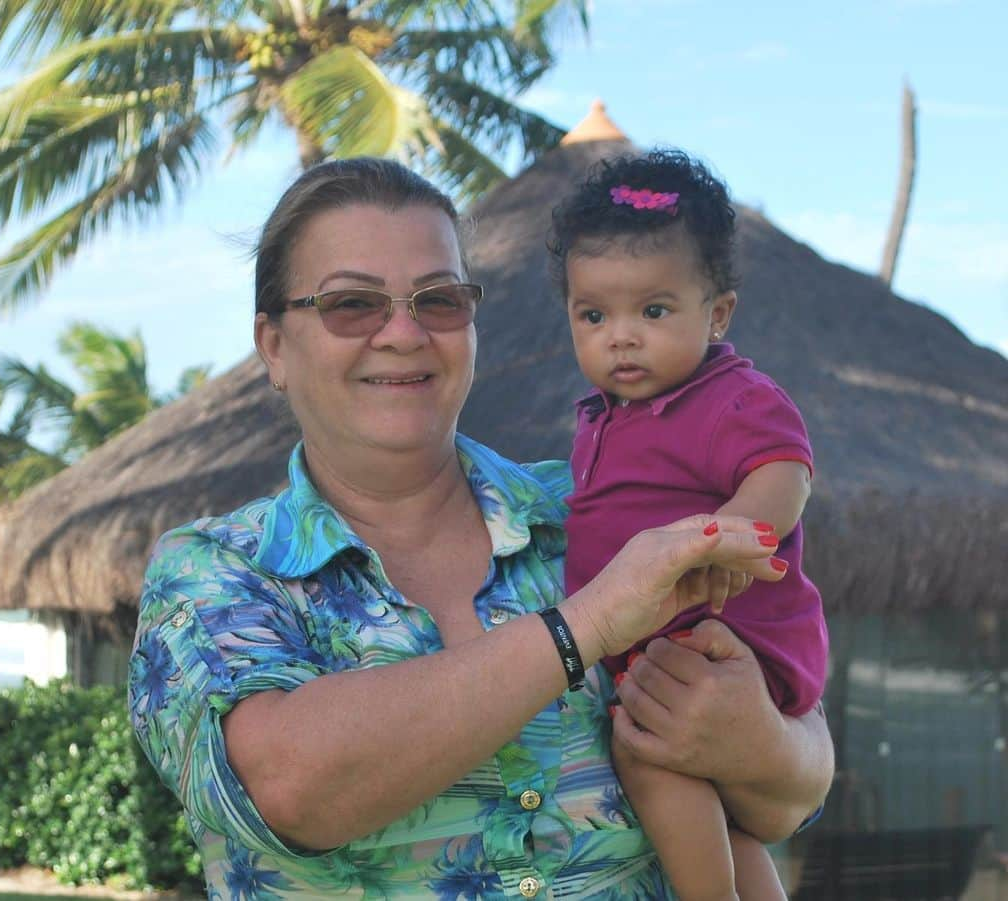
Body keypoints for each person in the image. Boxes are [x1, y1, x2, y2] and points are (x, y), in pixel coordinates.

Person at [128, 157, 834, 899]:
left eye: (438, 300)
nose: (402, 332)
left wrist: (756, 741)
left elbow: (798, 786)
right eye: (352, 305)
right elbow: (285, 785)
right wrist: (583, 625)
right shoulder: (216, 571)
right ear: (273, 346)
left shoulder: (591, 509)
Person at [552, 149, 830, 901]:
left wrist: (726, 542)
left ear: (717, 314)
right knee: (713, 808)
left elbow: (786, 469)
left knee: (648, 757)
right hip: (673, 639)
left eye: (653, 310)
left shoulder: (729, 397)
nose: (621, 336)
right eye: (593, 315)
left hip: (725, 631)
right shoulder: (602, 419)